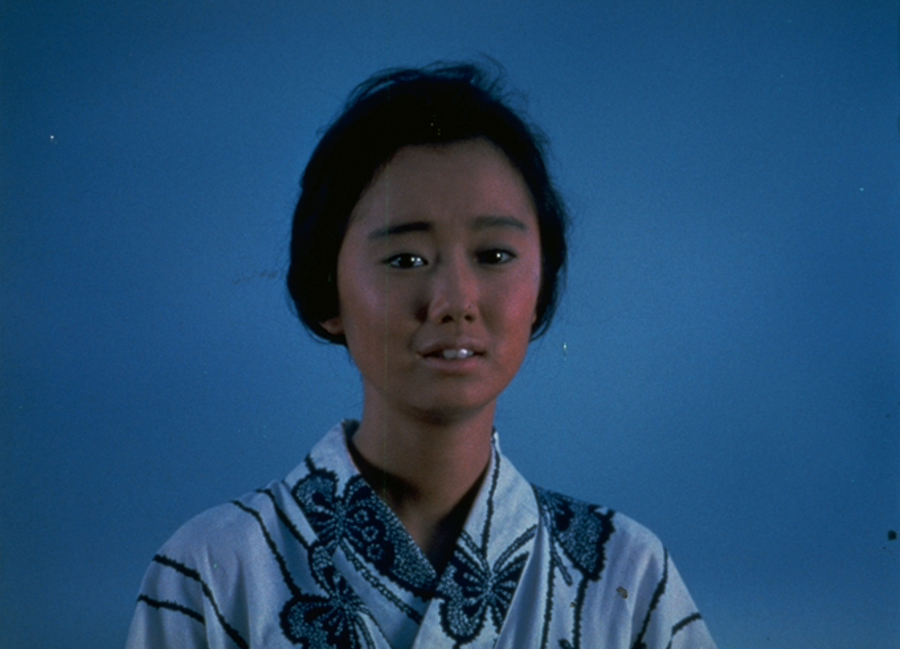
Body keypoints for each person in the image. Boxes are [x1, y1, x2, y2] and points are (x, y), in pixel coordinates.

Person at [126, 62, 716, 648]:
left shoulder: (628, 575)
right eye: (405, 260)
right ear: (328, 291)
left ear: (541, 285)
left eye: (494, 256)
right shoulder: (212, 572)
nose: (455, 301)